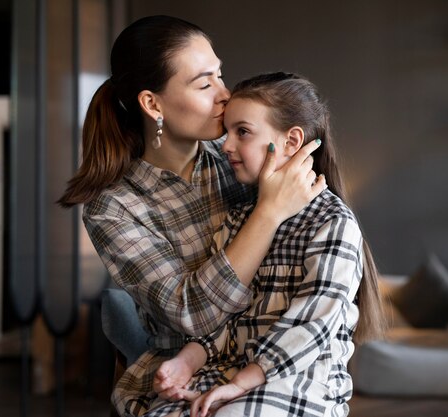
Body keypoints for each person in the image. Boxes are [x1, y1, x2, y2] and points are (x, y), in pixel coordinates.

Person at [57, 16, 326, 417]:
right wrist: (268, 213)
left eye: (220, 75)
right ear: (152, 103)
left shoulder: (238, 153)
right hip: (188, 365)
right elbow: (191, 313)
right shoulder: (113, 207)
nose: (225, 94)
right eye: (204, 84)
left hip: (275, 353)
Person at [151, 72, 385, 417]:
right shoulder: (238, 221)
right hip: (228, 372)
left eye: (242, 132)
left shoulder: (333, 223)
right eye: (227, 131)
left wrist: (240, 384)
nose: (226, 145)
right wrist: (185, 362)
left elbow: (312, 324)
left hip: (300, 380)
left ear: (291, 142)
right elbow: (221, 320)